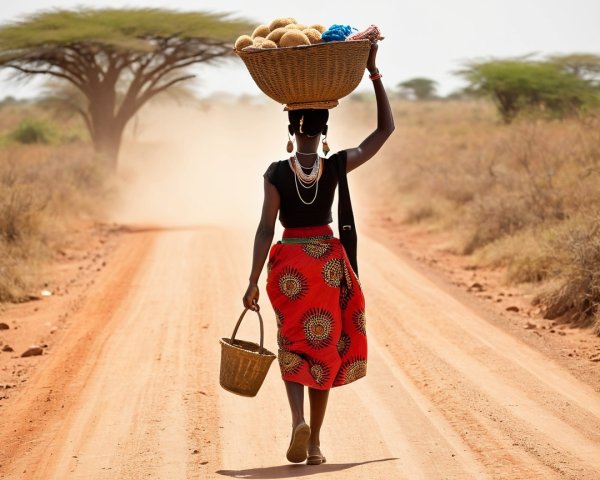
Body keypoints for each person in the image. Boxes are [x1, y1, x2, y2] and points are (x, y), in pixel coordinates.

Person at [242, 42, 394, 465]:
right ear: (323, 132)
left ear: (290, 130)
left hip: (289, 262)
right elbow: (385, 131)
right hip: (326, 262)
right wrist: (373, 72)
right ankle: (315, 444)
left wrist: (253, 280)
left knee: (292, 344)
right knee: (321, 343)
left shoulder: (275, 171)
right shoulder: (336, 164)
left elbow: (264, 227)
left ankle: (295, 421)